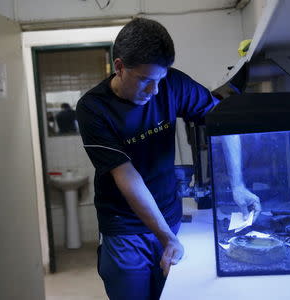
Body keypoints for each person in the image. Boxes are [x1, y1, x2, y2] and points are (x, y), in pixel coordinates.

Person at [76, 18, 260, 300]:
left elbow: (225, 125)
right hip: (125, 230)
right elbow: (127, 176)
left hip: (169, 217)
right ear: (119, 66)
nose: (154, 92)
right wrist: (167, 238)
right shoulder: (93, 108)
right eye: (145, 81)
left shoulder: (173, 83)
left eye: (160, 80)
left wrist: (238, 185)